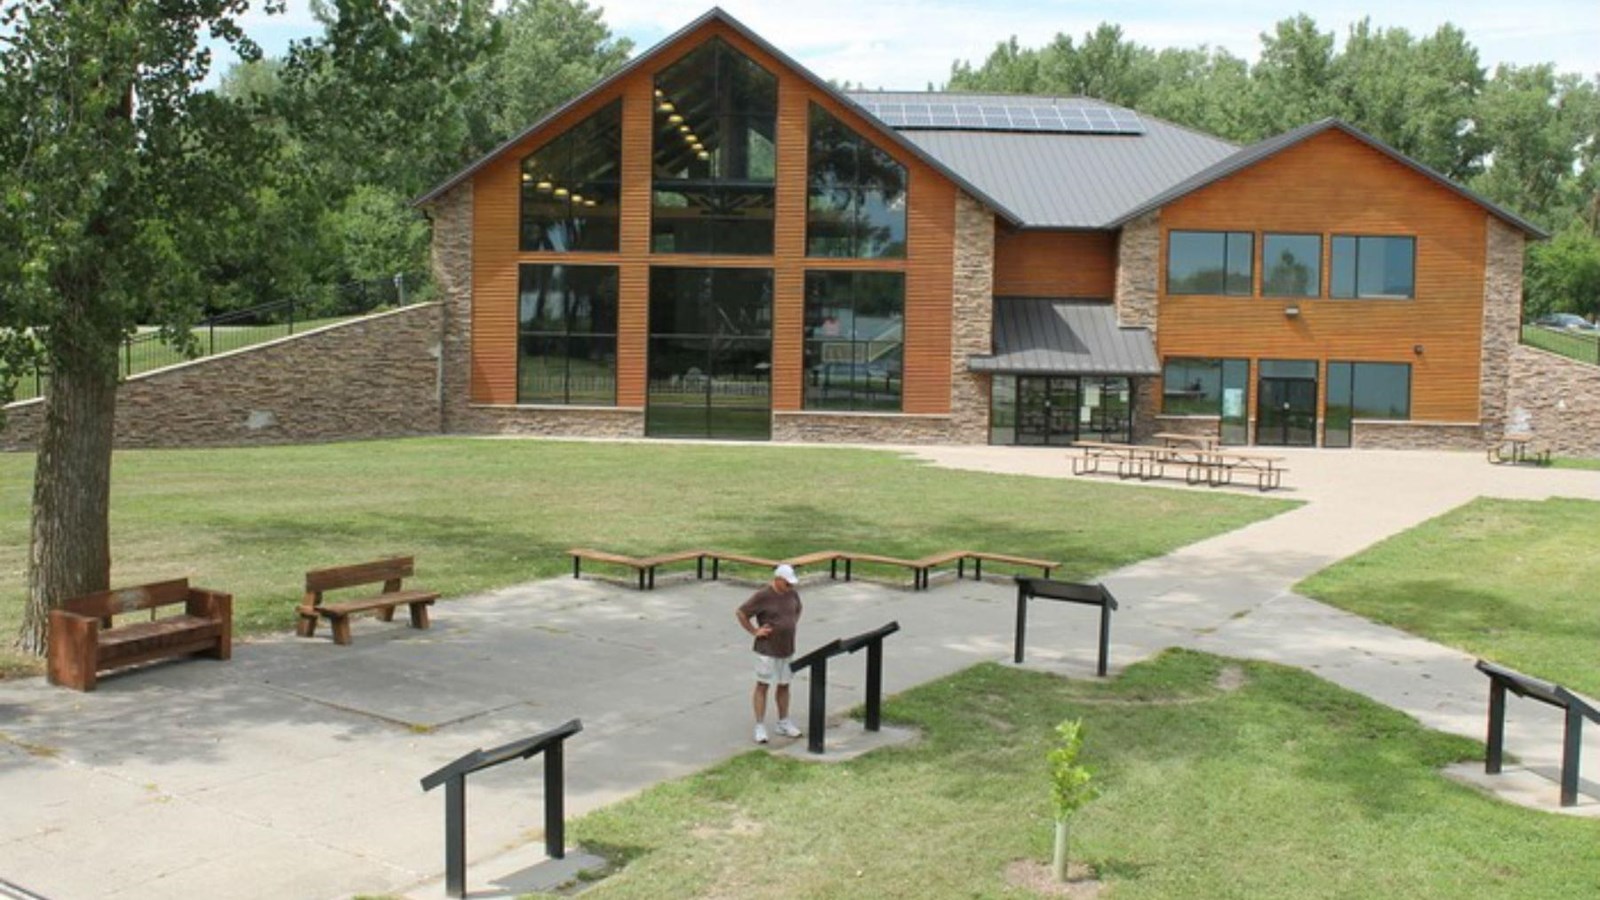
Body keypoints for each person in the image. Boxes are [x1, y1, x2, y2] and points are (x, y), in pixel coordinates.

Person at [736, 563, 803, 744]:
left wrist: (790, 624)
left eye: (792, 584)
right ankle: (759, 725)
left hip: (787, 647)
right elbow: (741, 613)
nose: (790, 587)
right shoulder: (763, 595)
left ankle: (783, 722)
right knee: (763, 685)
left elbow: (798, 609)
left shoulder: (792, 593)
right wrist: (754, 631)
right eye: (787, 583)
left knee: (784, 685)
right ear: (778, 579)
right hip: (767, 649)